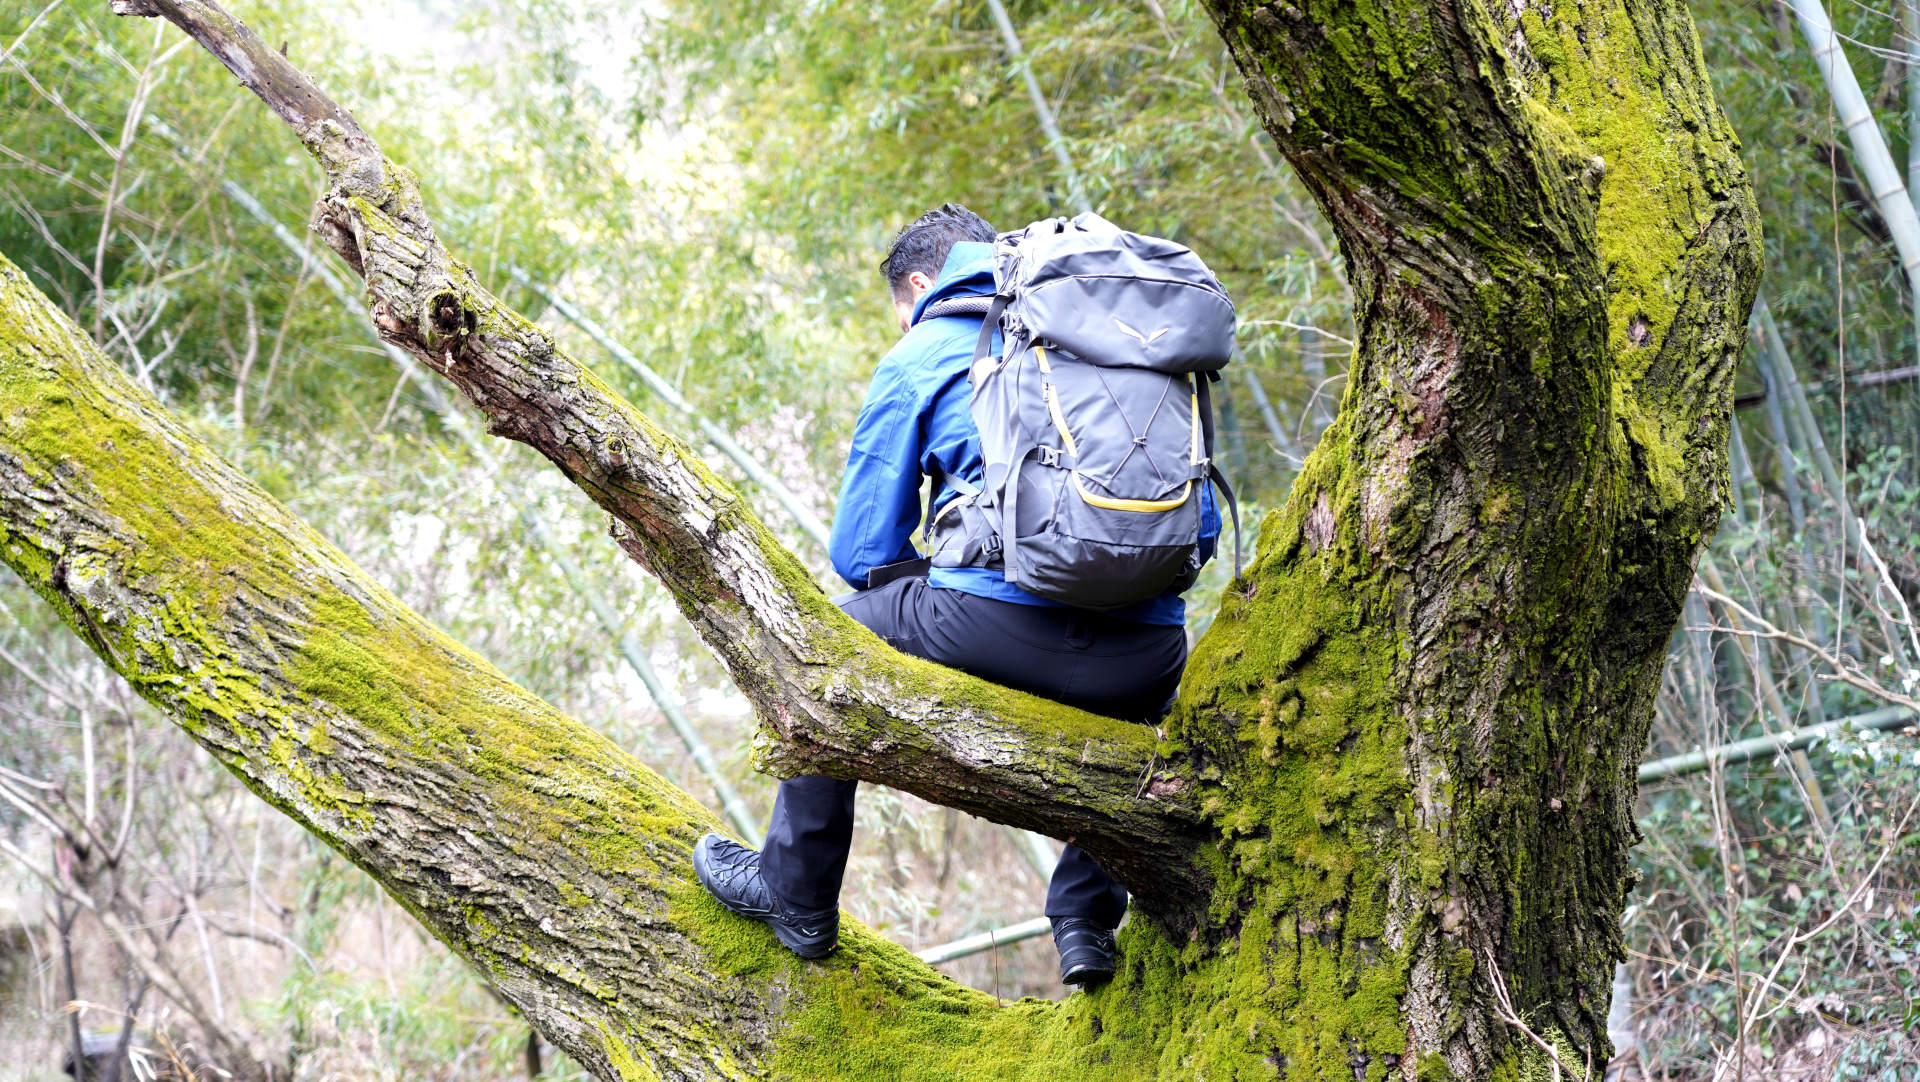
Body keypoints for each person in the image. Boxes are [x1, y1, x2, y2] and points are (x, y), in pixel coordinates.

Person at [692, 203, 1217, 985]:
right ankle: (1084, 921)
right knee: (1137, 676)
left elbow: (860, 550)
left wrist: (956, 577)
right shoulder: (1120, 338)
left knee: (823, 646)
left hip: (992, 632)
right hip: (1145, 662)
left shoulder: (929, 349)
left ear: (917, 285)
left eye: (900, 314)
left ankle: (794, 892)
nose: (904, 328)